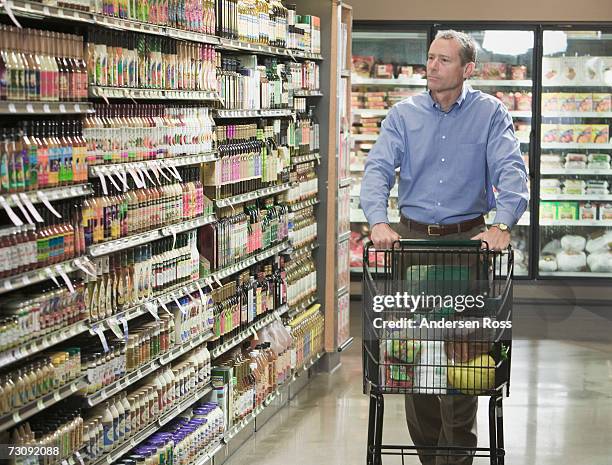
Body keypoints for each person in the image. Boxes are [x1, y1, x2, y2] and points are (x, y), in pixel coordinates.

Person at [359, 30, 529, 465]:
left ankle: (457, 457)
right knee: (414, 356)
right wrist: (378, 221)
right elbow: (377, 169)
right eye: (430, 58)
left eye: (443, 60)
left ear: (467, 69)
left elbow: (512, 172)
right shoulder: (403, 114)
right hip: (412, 245)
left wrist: (502, 224)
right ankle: (429, 454)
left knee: (463, 353)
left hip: (467, 248)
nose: (431, 66)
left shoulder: (490, 114)